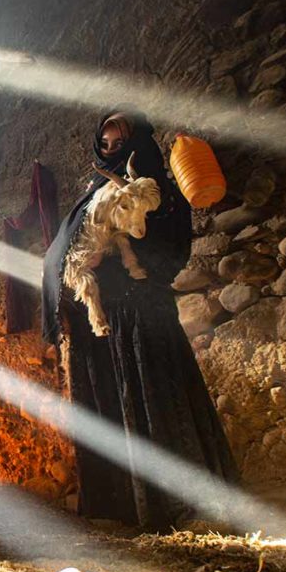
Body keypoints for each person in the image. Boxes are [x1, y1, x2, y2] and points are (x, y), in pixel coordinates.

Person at [41, 108, 238, 532]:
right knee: (110, 406)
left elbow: (172, 247)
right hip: (99, 321)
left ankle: (184, 507)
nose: (113, 150)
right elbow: (60, 252)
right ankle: (121, 508)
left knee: (155, 398)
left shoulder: (159, 191)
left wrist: (123, 250)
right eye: (106, 144)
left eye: (121, 143)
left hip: (141, 311)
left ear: (139, 142)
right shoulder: (93, 192)